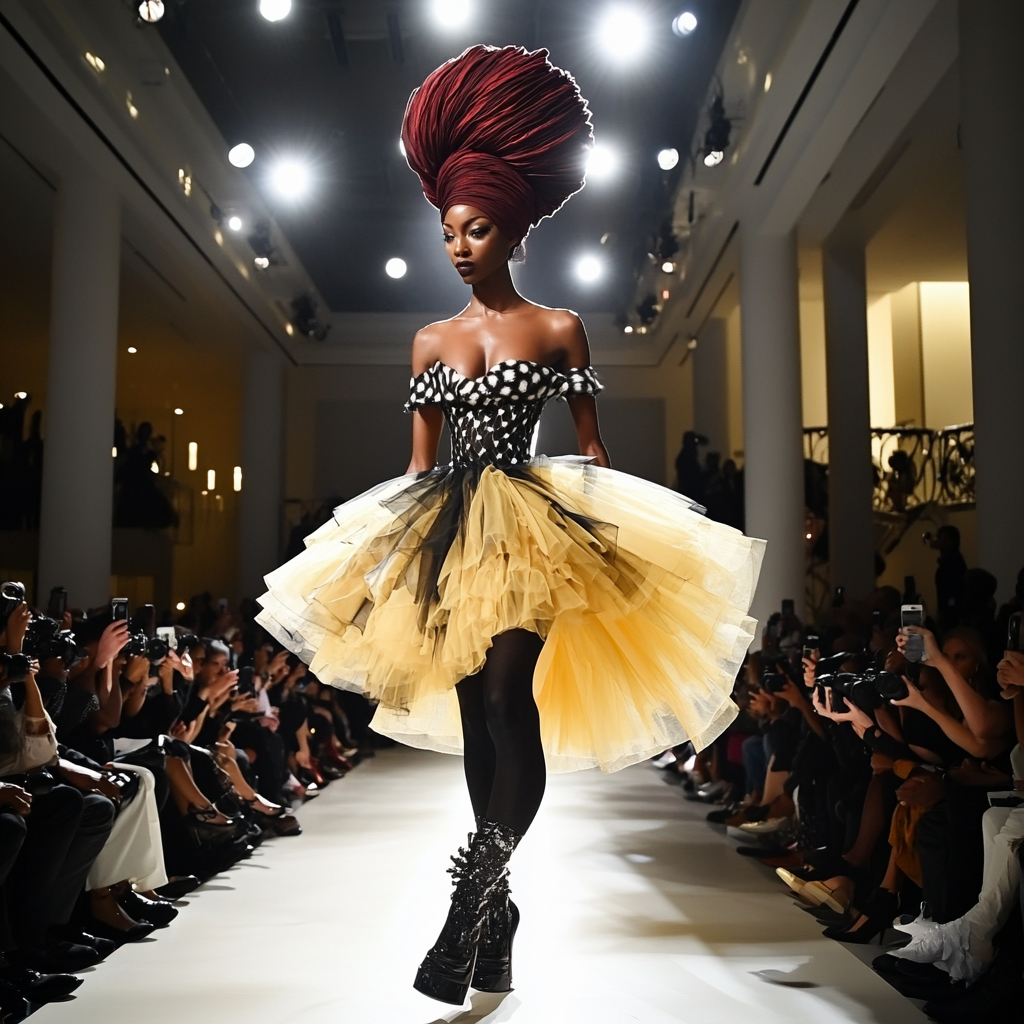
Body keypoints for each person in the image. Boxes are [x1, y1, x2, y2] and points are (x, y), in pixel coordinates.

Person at [256, 44, 764, 1006]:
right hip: (443, 528)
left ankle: (475, 894)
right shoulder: (429, 341)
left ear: (512, 231)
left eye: (476, 229)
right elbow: (416, 464)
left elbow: (591, 445)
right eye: (449, 230)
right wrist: (385, 566)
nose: (458, 245)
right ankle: (499, 915)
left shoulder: (560, 326)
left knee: (502, 703)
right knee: (473, 726)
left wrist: (609, 542)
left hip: (529, 522)